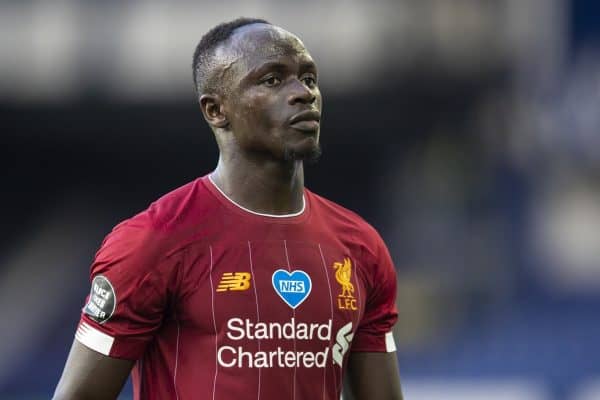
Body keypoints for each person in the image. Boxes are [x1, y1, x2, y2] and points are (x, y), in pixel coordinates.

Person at [53, 17, 403, 400]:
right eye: (272, 80)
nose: (303, 93)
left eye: (308, 78)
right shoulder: (153, 242)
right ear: (216, 110)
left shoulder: (360, 248)